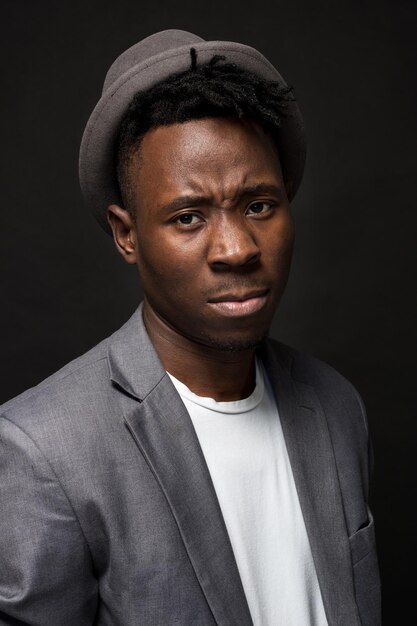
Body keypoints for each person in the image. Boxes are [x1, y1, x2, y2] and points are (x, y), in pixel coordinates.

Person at [0, 29, 380, 626]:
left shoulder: (336, 406)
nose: (236, 248)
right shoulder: (45, 452)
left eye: (259, 205)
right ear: (127, 234)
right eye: (187, 217)